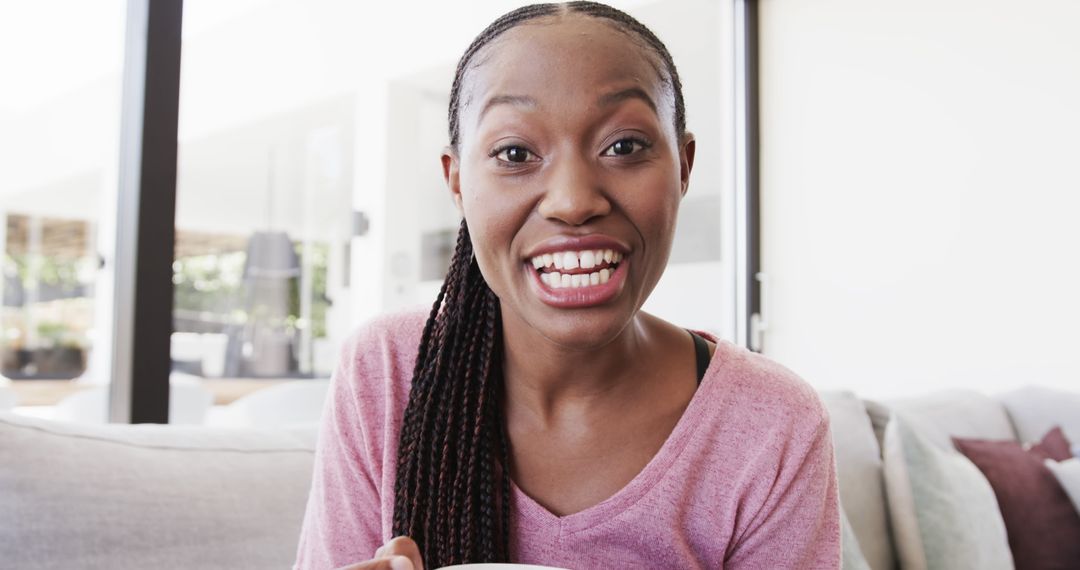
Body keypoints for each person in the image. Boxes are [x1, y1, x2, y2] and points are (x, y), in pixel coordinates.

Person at [295, 2, 840, 569]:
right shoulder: (386, 372)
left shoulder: (772, 422)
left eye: (624, 146)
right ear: (457, 183)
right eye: (515, 154)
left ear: (683, 165)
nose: (574, 201)